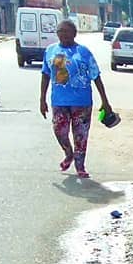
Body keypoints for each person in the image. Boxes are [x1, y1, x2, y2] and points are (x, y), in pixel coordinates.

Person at [39, 19, 113, 178]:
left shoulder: (84, 52)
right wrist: (42, 99)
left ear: (74, 33)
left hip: (82, 102)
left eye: (67, 31)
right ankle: (68, 153)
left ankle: (80, 165)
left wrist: (105, 102)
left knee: (81, 135)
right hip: (59, 101)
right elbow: (45, 75)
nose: (64, 34)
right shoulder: (51, 51)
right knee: (59, 131)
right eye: (60, 31)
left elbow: (96, 77)